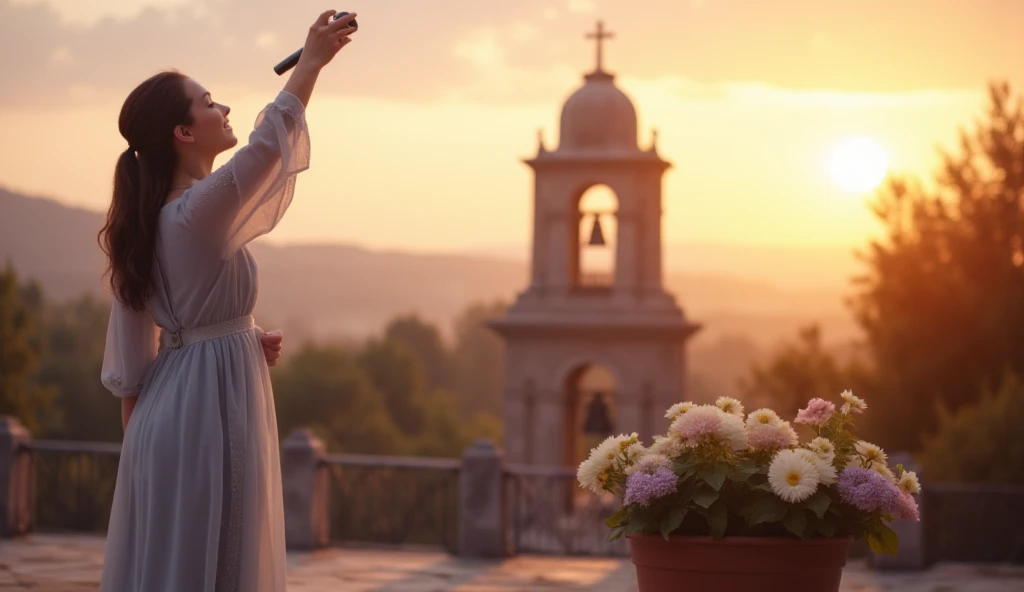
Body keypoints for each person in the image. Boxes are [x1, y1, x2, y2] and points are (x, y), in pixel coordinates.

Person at [95, 10, 357, 591]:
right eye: (209, 102)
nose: (225, 109)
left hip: (174, 414)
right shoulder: (193, 212)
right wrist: (310, 63)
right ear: (182, 134)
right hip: (203, 415)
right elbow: (267, 147)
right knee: (218, 564)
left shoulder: (149, 224)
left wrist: (234, 338)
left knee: (181, 566)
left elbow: (135, 371)